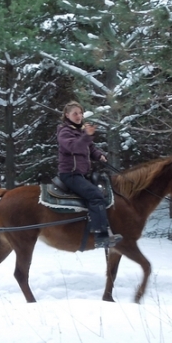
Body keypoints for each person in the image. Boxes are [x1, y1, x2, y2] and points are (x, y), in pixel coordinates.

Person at [57, 101, 121, 249]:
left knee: (105, 193)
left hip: (82, 174)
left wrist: (99, 156)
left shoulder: (79, 131)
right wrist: (87, 135)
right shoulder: (64, 131)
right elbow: (74, 147)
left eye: (80, 113)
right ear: (67, 115)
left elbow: (90, 147)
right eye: (75, 113)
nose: (79, 116)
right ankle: (100, 235)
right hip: (70, 174)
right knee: (96, 195)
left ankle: (105, 227)